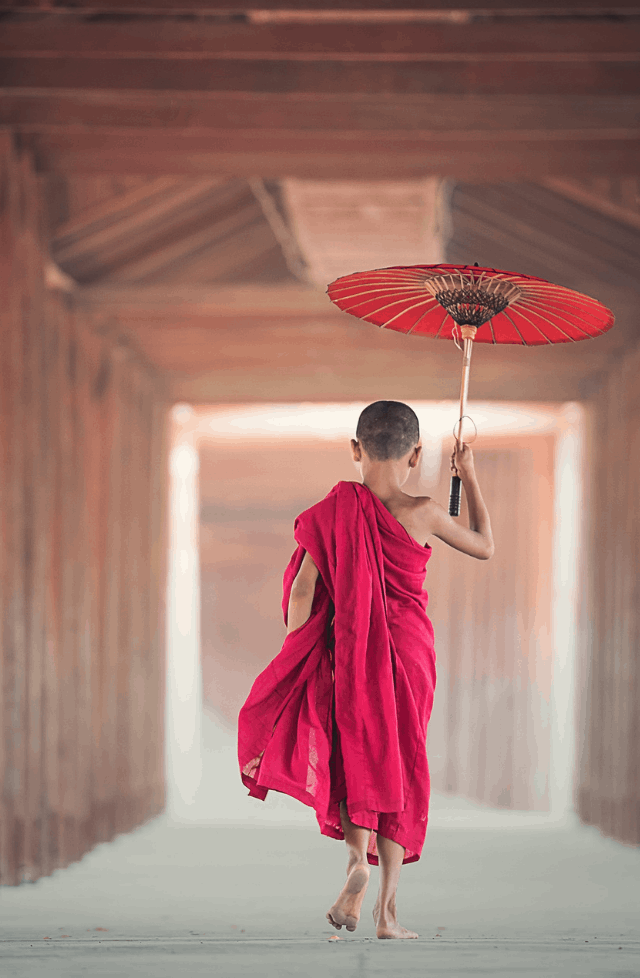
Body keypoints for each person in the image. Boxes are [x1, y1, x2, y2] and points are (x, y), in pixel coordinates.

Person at [237, 400, 495, 940]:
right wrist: (468, 476)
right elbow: (483, 546)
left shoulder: (334, 510)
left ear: (355, 450)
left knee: (357, 752)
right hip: (410, 652)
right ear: (417, 452)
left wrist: (298, 648)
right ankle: (387, 913)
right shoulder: (424, 510)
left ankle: (356, 860)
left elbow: (305, 587)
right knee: (400, 760)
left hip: (350, 649)